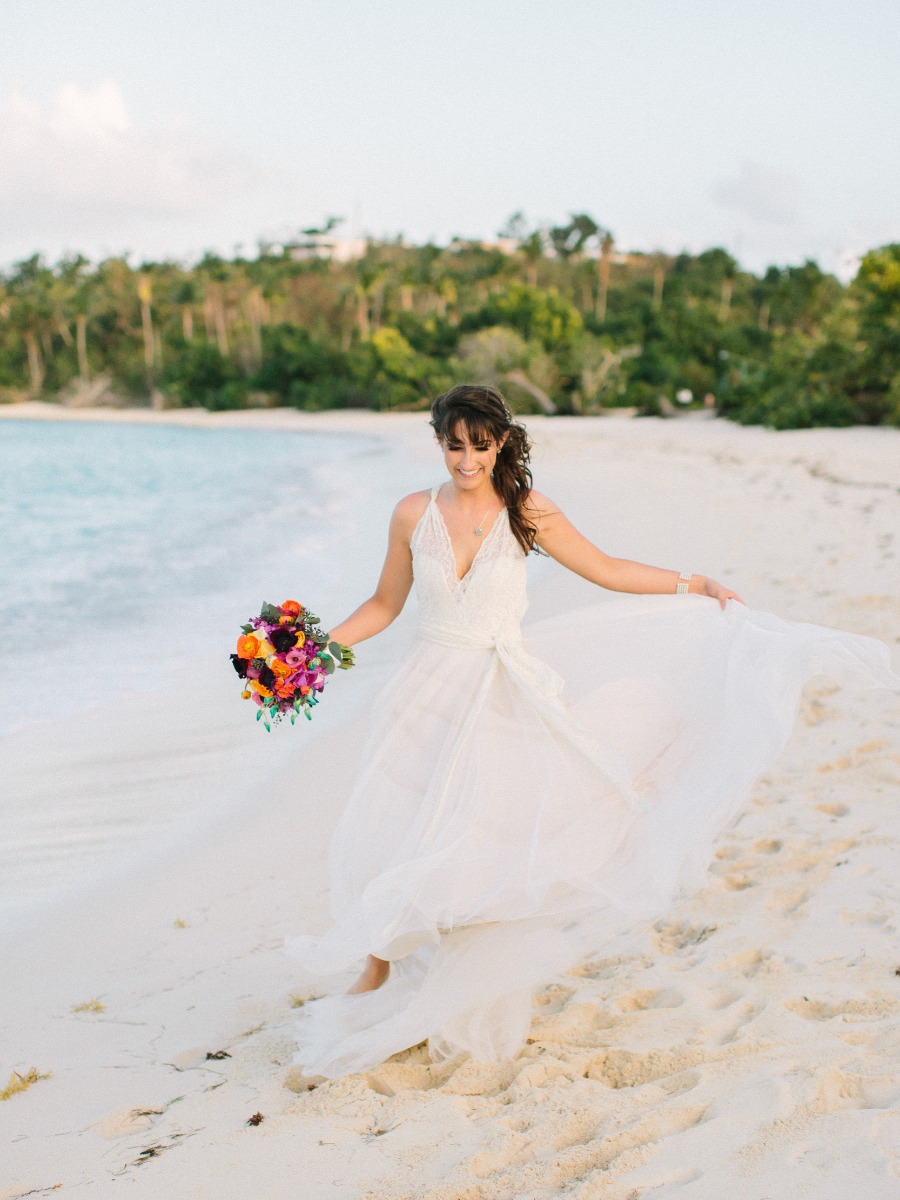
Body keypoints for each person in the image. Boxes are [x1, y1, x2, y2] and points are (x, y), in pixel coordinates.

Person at [286, 383, 899, 1080]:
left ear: (500, 443)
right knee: (396, 824)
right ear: (438, 442)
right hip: (423, 689)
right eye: (454, 446)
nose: (465, 460)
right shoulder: (411, 513)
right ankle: (376, 970)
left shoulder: (527, 511)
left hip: (496, 688)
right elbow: (384, 603)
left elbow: (605, 569)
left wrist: (693, 584)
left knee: (482, 827)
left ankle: (446, 972)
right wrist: (309, 653)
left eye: (479, 446)